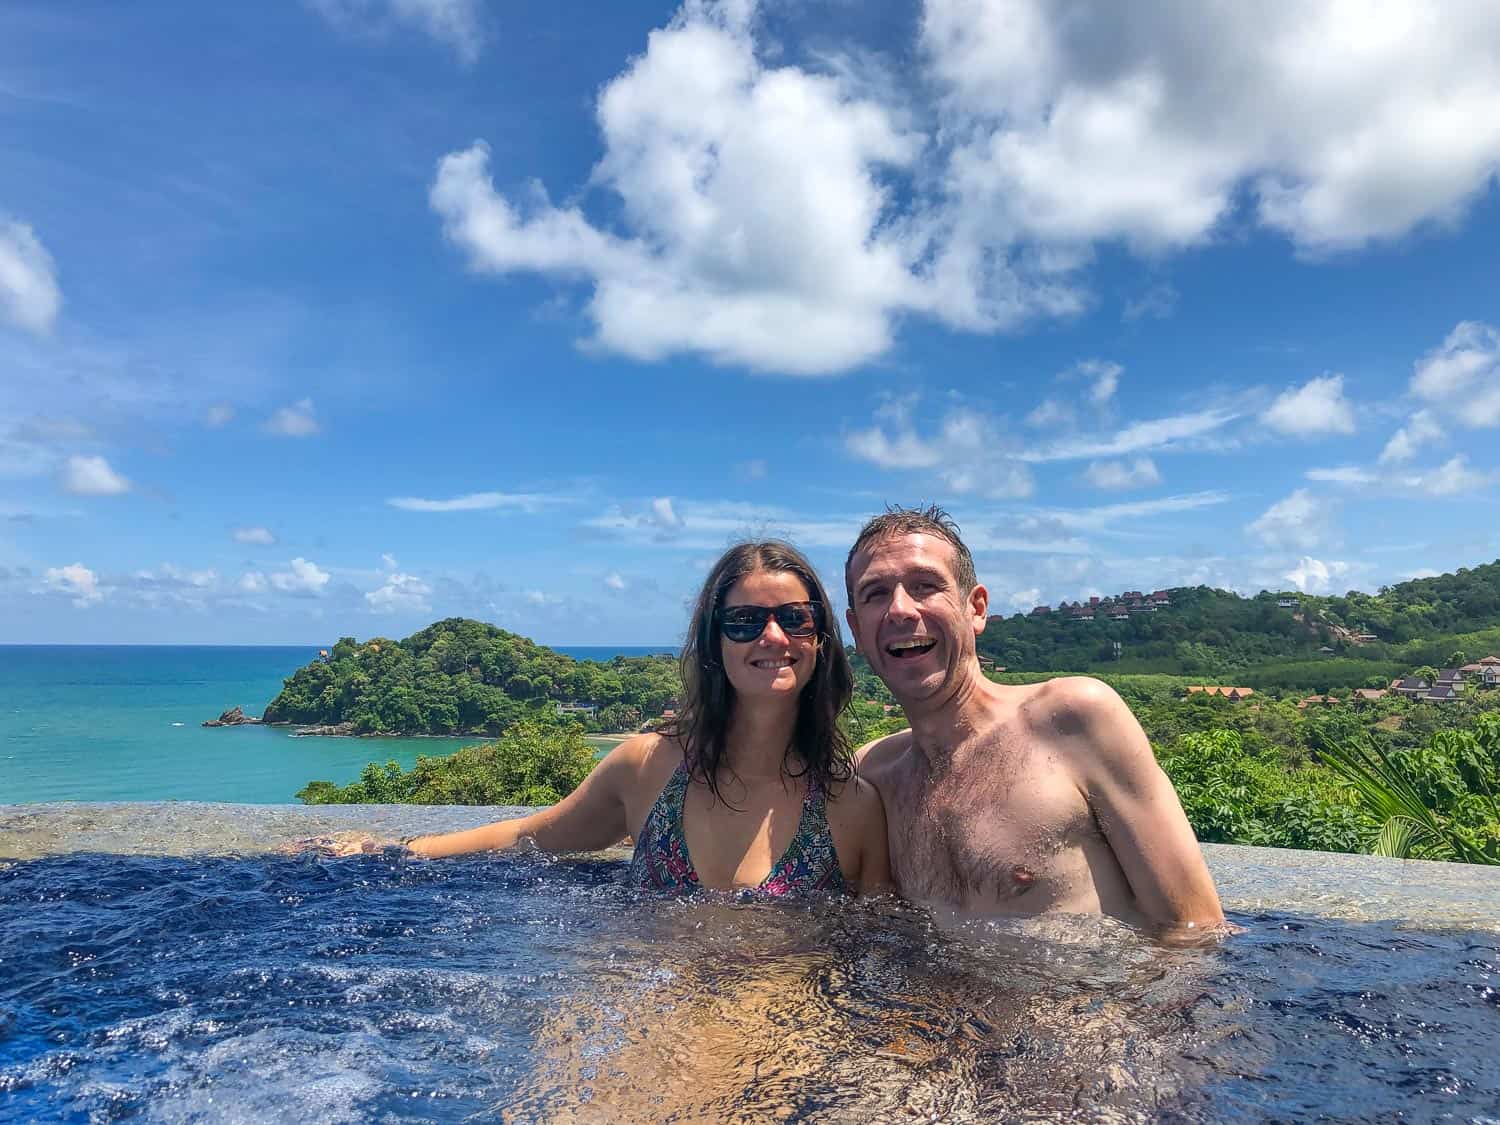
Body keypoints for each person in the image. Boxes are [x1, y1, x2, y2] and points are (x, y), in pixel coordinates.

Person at [390, 540, 890, 896]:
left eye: (795, 617)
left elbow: (876, 953)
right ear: (715, 642)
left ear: (821, 638)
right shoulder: (648, 766)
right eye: (744, 621)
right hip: (654, 1027)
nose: (773, 637)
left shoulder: (851, 806)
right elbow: (529, 837)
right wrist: (395, 850)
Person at [843, 505, 1224, 931]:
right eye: (875, 593)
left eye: (926, 585)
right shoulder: (871, 776)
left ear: (976, 609)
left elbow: (1196, 930)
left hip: (1094, 994)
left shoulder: (1072, 719)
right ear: (856, 630)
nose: (900, 609)